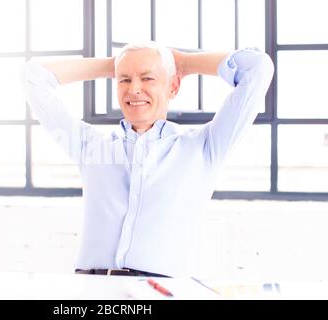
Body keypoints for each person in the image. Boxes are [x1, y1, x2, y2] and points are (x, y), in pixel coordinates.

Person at [24, 41, 274, 278]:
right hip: (90, 288)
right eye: (124, 80)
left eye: (147, 78)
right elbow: (34, 77)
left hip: (162, 289)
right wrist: (115, 64)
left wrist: (184, 63)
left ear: (173, 87)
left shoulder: (204, 147)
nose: (133, 88)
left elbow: (258, 68)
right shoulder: (89, 145)